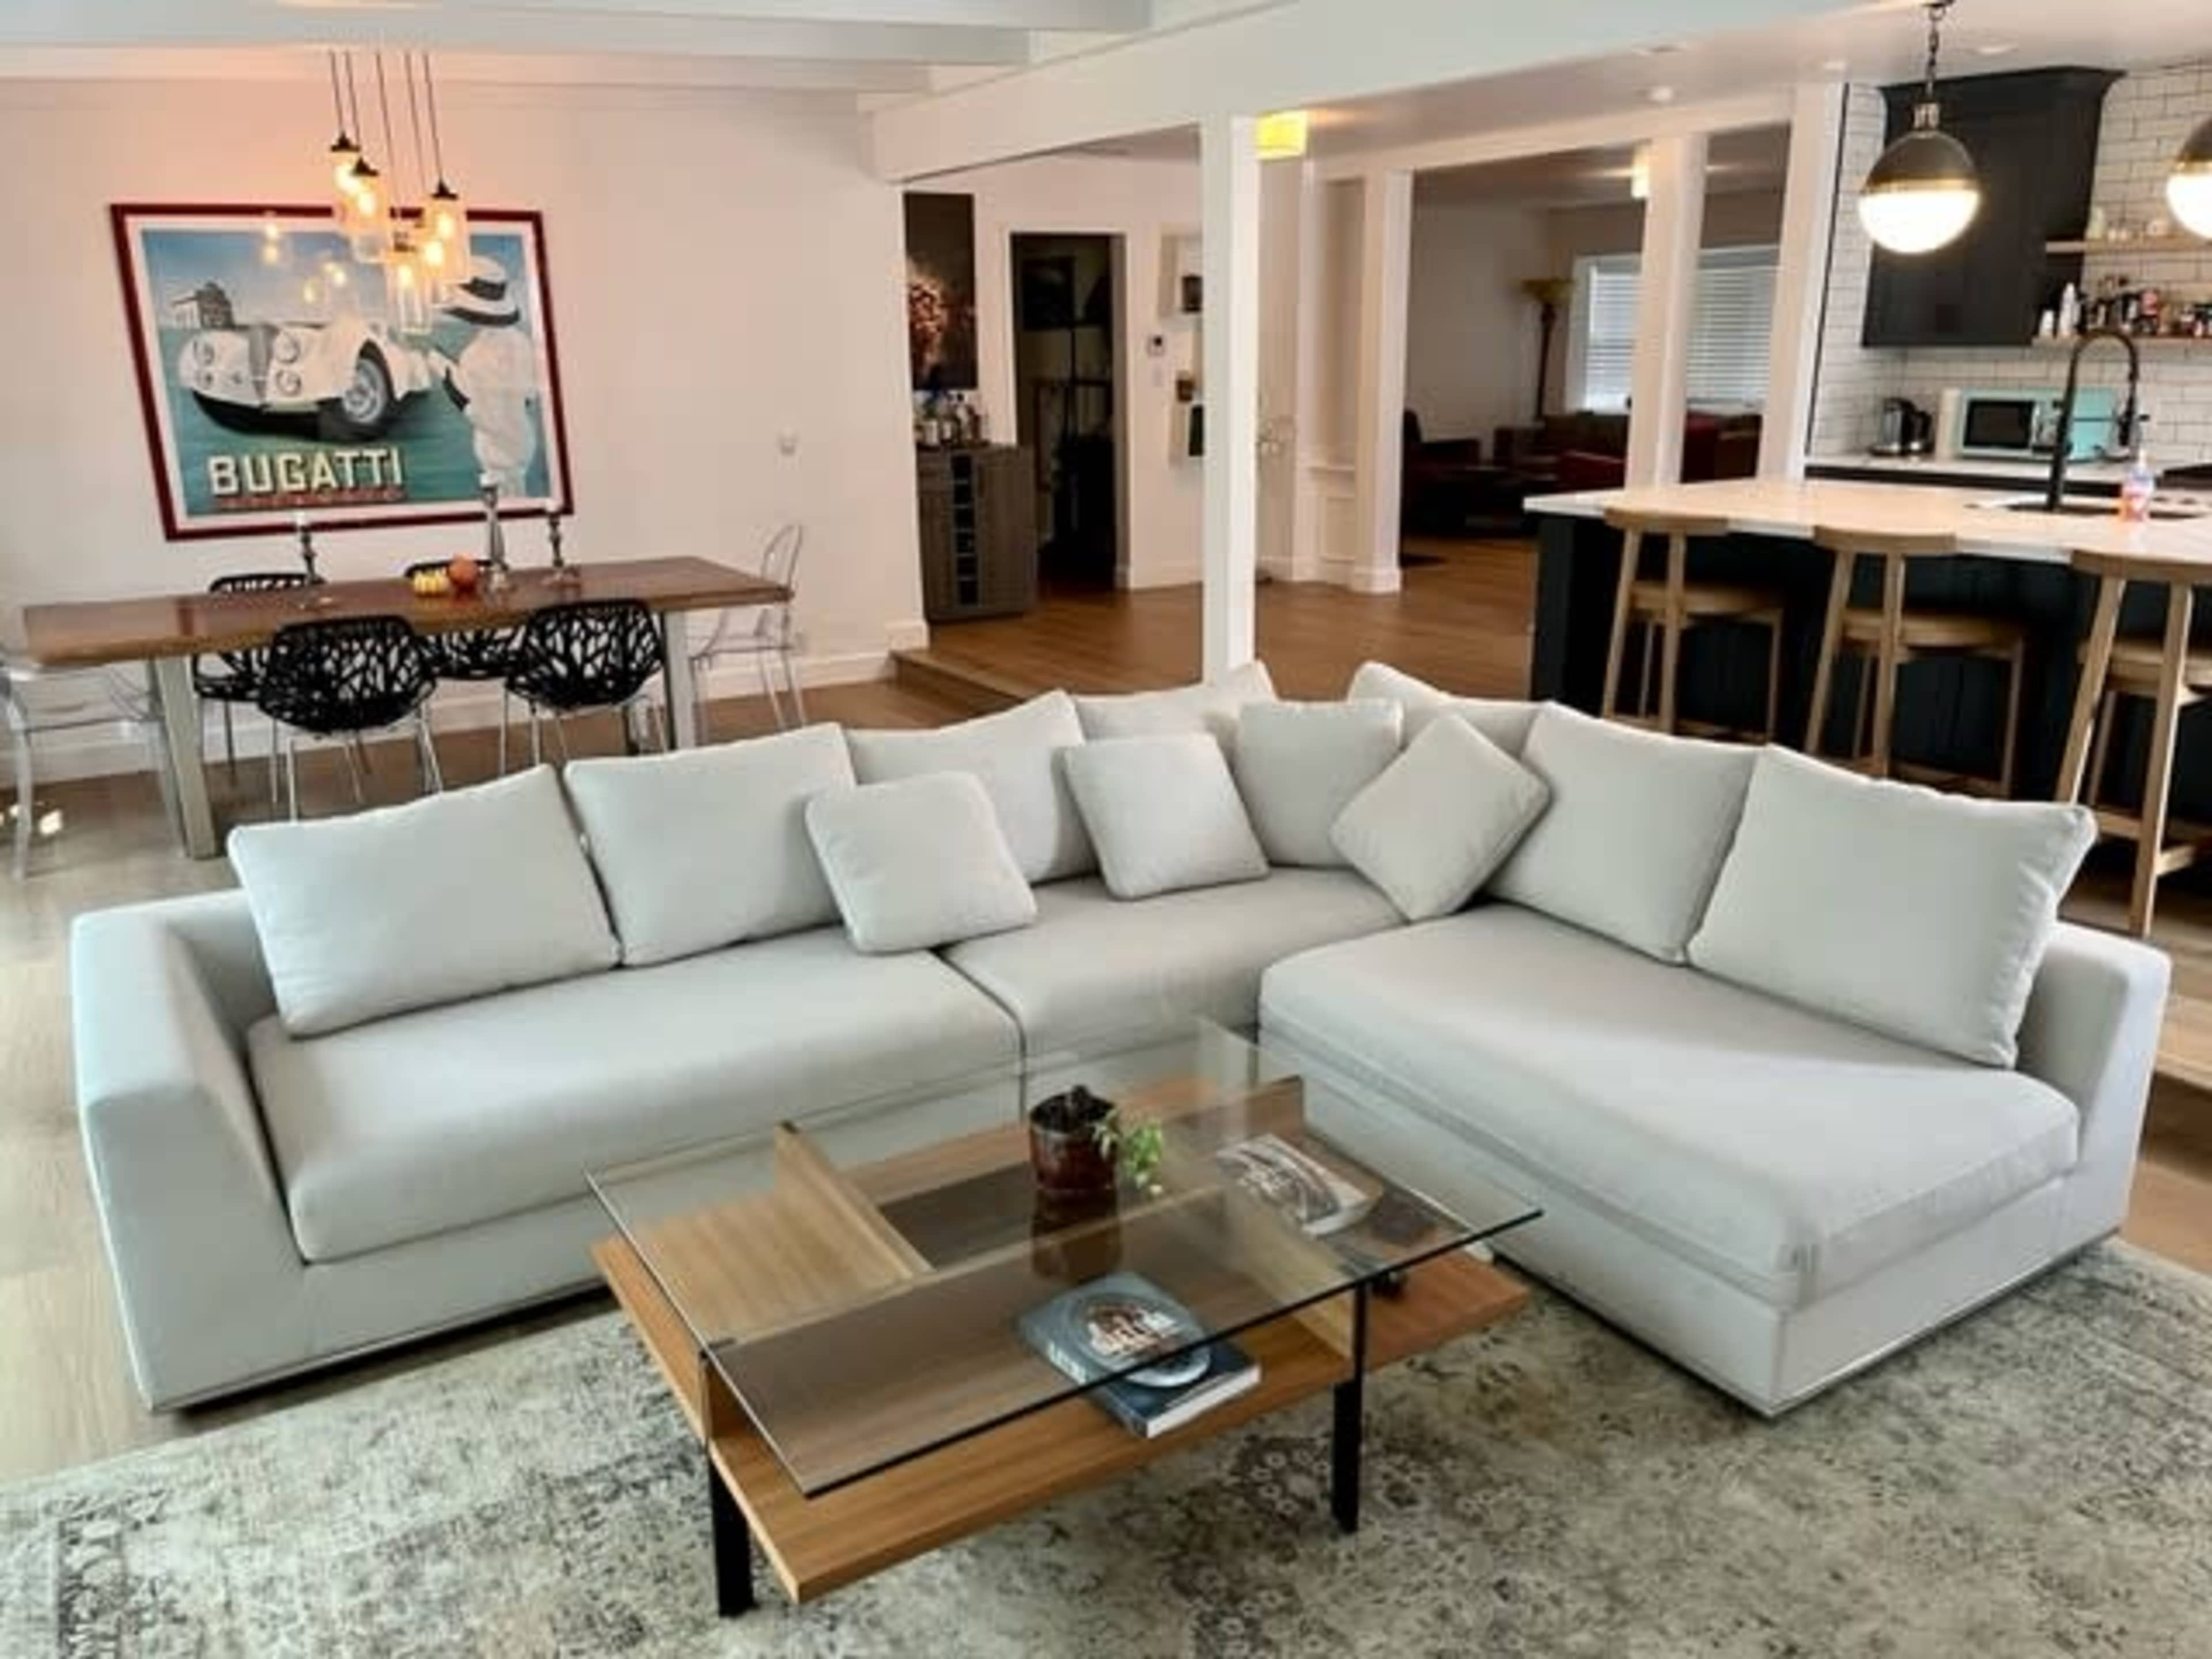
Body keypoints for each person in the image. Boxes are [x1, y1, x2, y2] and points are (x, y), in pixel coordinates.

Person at [426, 256, 539, 496]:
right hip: (522, 445)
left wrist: (445, 371)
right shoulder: (522, 343)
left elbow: (480, 413)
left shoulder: (476, 356)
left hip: (499, 460)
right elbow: (529, 396)